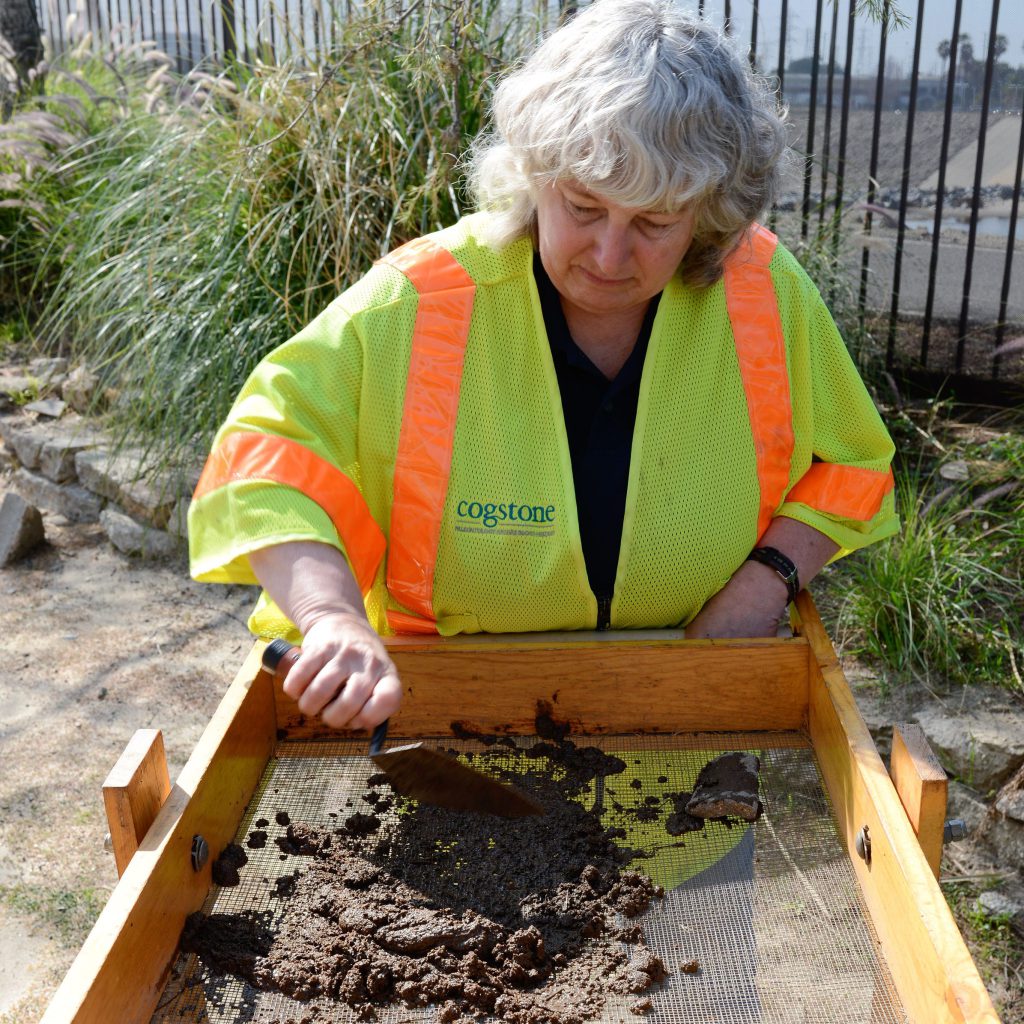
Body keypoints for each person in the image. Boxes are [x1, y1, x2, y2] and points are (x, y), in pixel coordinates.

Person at [188, 0, 898, 735]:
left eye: (655, 222)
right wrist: (329, 615)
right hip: (440, 718)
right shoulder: (416, 301)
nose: (608, 256)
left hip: (691, 705)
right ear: (533, 172)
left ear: (711, 213)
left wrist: (765, 585)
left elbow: (853, 463)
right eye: (584, 206)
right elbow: (262, 460)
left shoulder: (765, 292)